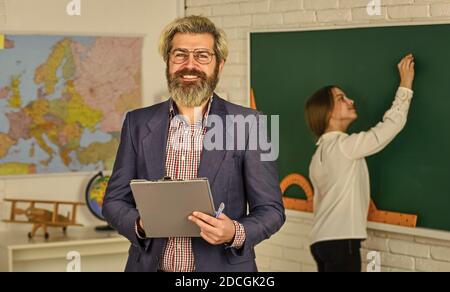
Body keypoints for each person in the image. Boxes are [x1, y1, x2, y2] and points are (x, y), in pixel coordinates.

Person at [102, 15, 285, 272]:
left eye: (202, 55)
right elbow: (113, 201)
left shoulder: (249, 123)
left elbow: (272, 210)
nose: (190, 65)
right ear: (168, 61)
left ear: (219, 65)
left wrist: (235, 231)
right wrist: (141, 224)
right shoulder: (137, 122)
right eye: (180, 55)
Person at [304, 54, 415, 272]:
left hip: (320, 241)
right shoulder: (344, 146)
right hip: (340, 240)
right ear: (328, 113)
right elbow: (389, 127)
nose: (350, 101)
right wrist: (405, 85)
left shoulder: (318, 155)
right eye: (341, 99)